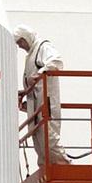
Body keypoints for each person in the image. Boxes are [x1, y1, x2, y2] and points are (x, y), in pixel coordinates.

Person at [14, 25, 69, 171]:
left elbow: (56, 62)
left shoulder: (42, 47)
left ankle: (65, 166)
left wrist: (40, 73)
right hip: (37, 108)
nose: (20, 46)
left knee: (49, 138)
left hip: (47, 104)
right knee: (38, 141)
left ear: (27, 37)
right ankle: (47, 168)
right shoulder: (31, 55)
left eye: (21, 42)